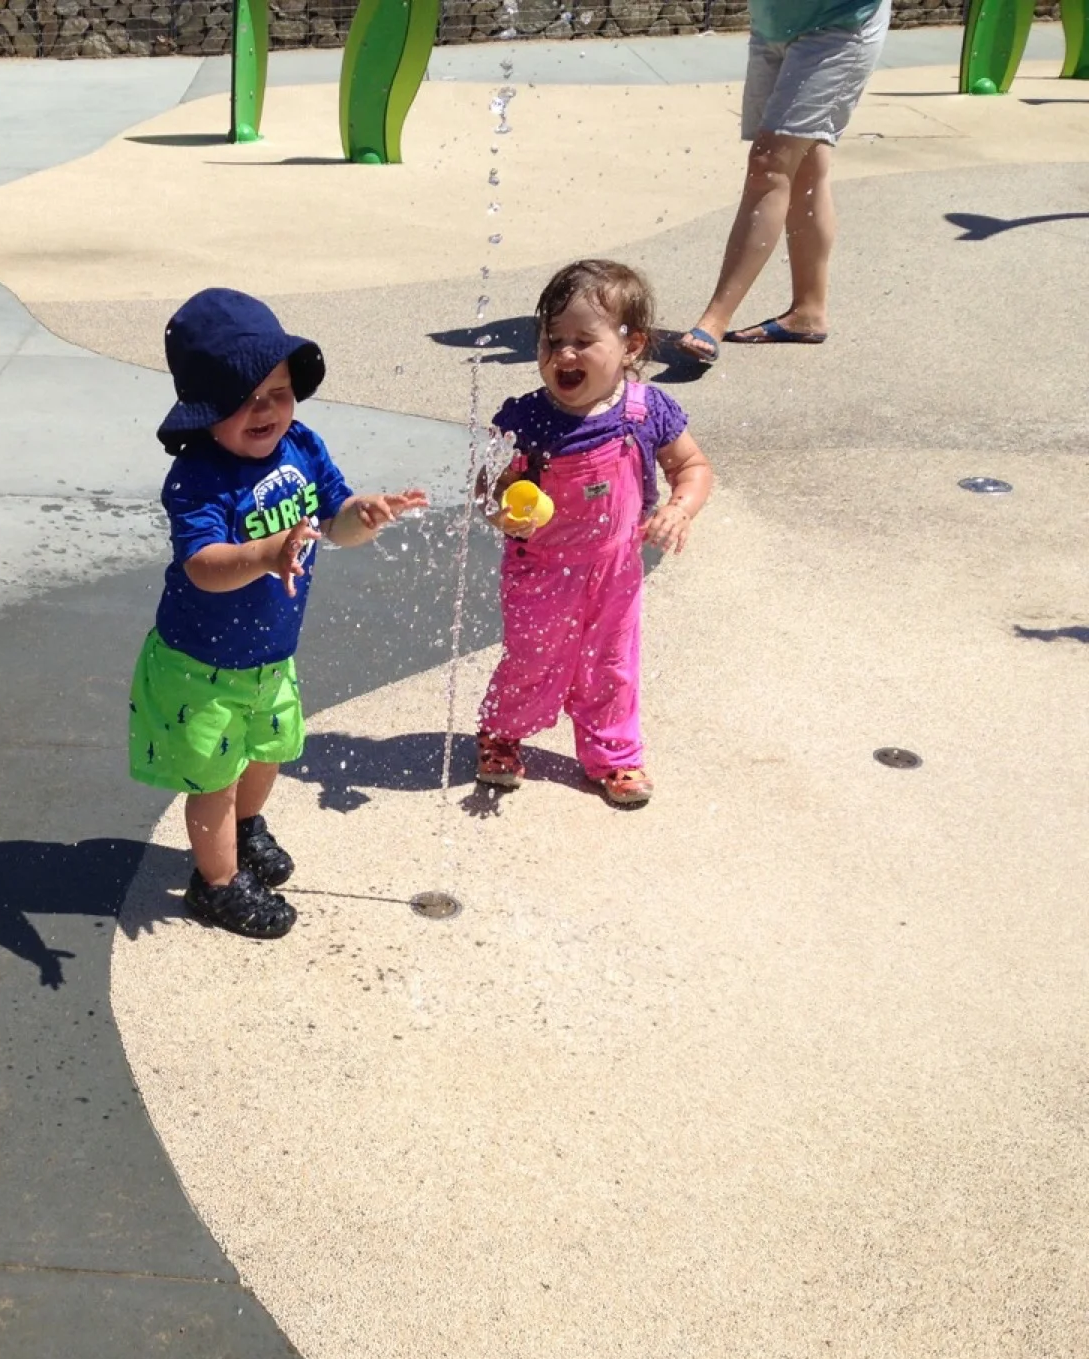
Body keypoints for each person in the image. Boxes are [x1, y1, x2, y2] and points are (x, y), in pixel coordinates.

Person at [129, 288, 428, 939]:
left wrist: (363, 515)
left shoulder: (302, 446)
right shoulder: (199, 477)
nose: (267, 409)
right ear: (206, 409)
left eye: (279, 392)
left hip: (270, 655)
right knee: (214, 779)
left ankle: (245, 829)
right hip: (201, 666)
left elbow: (336, 521)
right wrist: (266, 553)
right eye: (247, 397)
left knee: (267, 753)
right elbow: (202, 565)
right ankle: (215, 884)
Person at [477, 260, 715, 807]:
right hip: (540, 570)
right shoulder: (527, 420)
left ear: (632, 346)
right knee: (532, 658)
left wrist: (680, 508)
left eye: (583, 341)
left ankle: (615, 754)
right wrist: (502, 512)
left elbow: (693, 467)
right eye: (551, 340)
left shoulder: (646, 411)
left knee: (612, 665)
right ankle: (501, 733)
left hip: (616, 571)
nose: (563, 354)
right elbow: (488, 488)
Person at [675, 0, 892, 365]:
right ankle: (808, 311)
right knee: (807, 166)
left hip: (839, 24)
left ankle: (714, 321)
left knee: (769, 163)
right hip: (772, 23)